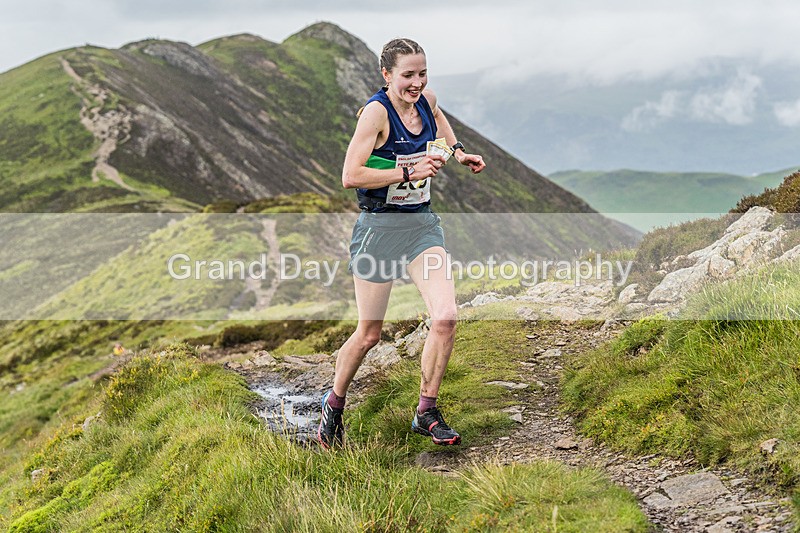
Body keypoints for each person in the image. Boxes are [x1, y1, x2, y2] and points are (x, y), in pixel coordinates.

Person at [317, 38, 486, 449]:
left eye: (422, 73)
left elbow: (439, 121)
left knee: (445, 318)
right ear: (386, 74)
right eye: (408, 75)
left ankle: (426, 411)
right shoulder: (376, 114)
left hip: (421, 226)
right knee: (369, 334)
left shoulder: (426, 100)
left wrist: (458, 153)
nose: (417, 82)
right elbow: (351, 176)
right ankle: (334, 403)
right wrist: (408, 173)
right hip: (378, 230)